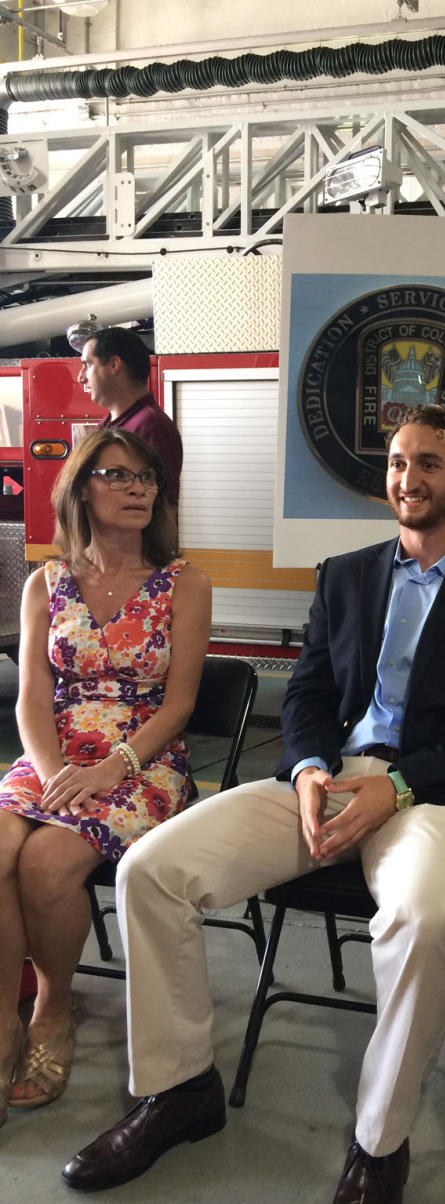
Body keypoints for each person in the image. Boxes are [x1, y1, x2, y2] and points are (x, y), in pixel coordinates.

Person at [62, 404, 445, 1202]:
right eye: (397, 461)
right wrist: (312, 768)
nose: (407, 477)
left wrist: (396, 787)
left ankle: (378, 1144)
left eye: (427, 463)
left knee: (424, 922)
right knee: (151, 869)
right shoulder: (346, 575)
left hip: (429, 795)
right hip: (325, 779)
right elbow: (309, 693)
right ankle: (180, 1090)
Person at [0, 429, 211, 1128]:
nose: (138, 488)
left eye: (146, 478)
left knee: (47, 863)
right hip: (55, 754)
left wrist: (110, 768)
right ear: (81, 489)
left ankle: (53, 1008)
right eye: (118, 475)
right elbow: (32, 698)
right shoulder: (46, 583)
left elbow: (179, 706)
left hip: (144, 758)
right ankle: (2, 1021)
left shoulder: (184, 583)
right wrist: (55, 772)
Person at [79, 327, 183, 506]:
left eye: (87, 365)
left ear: (114, 365)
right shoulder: (106, 425)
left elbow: (155, 507)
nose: (81, 377)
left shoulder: (151, 427)